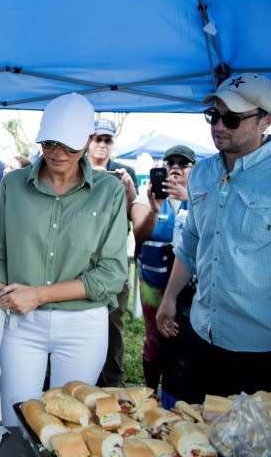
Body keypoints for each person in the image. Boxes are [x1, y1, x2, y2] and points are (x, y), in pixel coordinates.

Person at [0, 92, 128, 427]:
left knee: (71, 427)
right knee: (16, 422)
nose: (58, 153)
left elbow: (112, 273)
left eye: (69, 146)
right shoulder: (14, 184)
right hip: (18, 320)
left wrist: (39, 294)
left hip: (83, 324)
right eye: (49, 143)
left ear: (87, 141)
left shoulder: (109, 190)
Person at [156, 72, 271, 402]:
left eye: (232, 119)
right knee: (196, 439)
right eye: (214, 116)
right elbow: (191, 242)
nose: (219, 126)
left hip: (258, 348)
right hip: (201, 333)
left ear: (265, 120)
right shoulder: (203, 173)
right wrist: (168, 298)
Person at [130, 145, 195, 394]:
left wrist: (189, 198)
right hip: (153, 283)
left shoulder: (200, 197)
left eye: (183, 163)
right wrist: (155, 211)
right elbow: (139, 235)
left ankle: (175, 391)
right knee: (155, 338)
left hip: (189, 286)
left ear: (193, 169)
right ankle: (149, 392)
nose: (176, 168)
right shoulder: (147, 197)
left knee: (182, 340)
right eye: (171, 163)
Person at [87, 117, 137, 387]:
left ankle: (113, 380)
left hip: (113, 259)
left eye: (107, 140)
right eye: (98, 140)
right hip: (82, 261)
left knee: (113, 324)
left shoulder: (123, 172)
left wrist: (128, 189)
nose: (102, 146)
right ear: (88, 142)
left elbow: (133, 216)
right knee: (80, 323)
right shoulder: (76, 171)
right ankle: (81, 379)